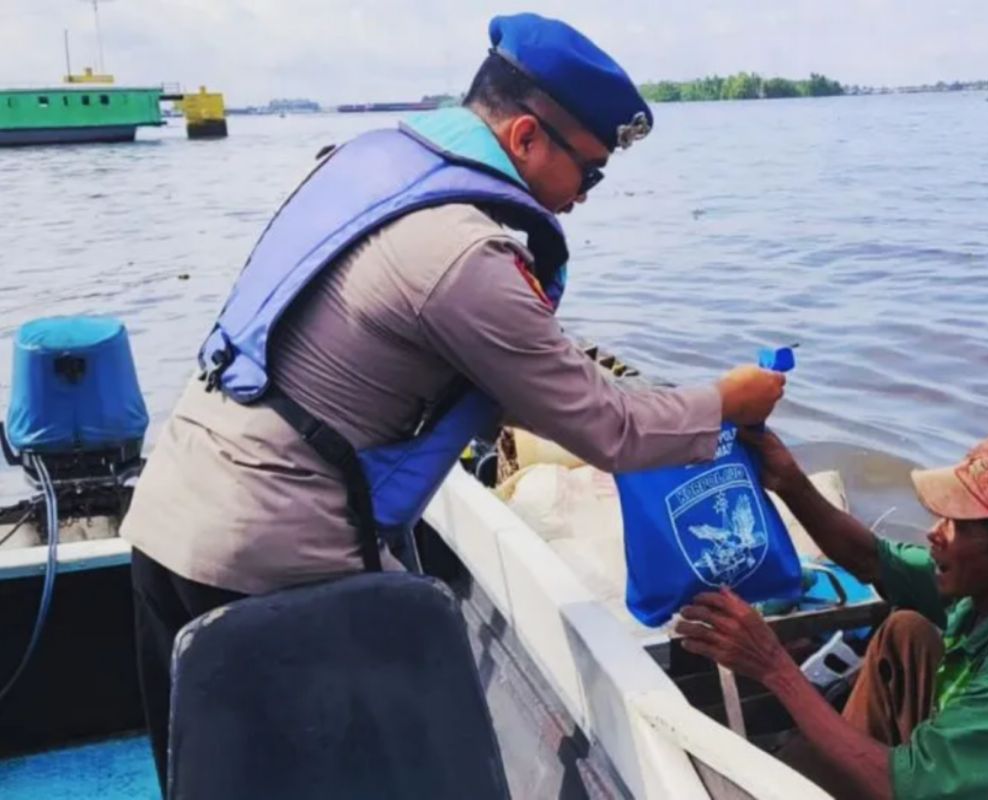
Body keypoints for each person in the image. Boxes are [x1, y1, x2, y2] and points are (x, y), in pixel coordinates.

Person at [120, 13, 785, 793]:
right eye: (591, 171)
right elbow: (609, 427)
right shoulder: (466, 256)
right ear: (529, 136)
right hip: (271, 558)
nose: (585, 197)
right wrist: (726, 400)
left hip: (173, 509)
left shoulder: (370, 163)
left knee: (206, 772)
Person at [677, 431, 988, 800]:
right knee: (906, 632)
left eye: (959, 525)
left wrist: (773, 666)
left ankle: (841, 771)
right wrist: (788, 480)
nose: (935, 532)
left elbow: (905, 789)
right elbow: (869, 559)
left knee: (864, 773)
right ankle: (833, 767)